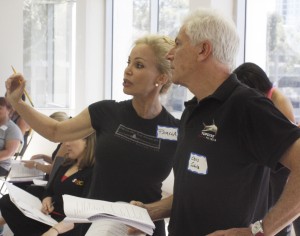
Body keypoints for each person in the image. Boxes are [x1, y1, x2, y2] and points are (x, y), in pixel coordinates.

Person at [127, 8, 300, 236]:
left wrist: (259, 231)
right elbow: (194, 194)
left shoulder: (246, 106)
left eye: (178, 44)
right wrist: (150, 212)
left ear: (203, 50)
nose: (170, 54)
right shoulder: (193, 111)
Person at [5, 34, 179, 236]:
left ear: (162, 78)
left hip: (144, 229)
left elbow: (188, 189)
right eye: (128, 62)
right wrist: (17, 102)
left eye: (138, 65)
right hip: (97, 227)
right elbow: (55, 131)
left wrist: (152, 212)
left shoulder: (177, 130)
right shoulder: (106, 112)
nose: (128, 70)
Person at [234, 62, 298, 236]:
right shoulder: (263, 100)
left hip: (282, 168)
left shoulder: (278, 100)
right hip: (270, 164)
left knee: (279, 207)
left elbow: (287, 141)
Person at [0, 132, 96, 236]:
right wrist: (47, 199)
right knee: (6, 201)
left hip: (64, 225)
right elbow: (49, 190)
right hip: (46, 216)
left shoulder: (93, 174)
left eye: (71, 139)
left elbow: (85, 213)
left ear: (87, 142)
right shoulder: (65, 164)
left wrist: (56, 229)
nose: (66, 144)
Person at [23, 111, 70, 176]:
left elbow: (53, 169)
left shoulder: (66, 144)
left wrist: (35, 165)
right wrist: (43, 157)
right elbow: (58, 162)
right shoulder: (63, 143)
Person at [0, 97, 23, 176]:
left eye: (0, 108)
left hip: (2, 166)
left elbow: (9, 153)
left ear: (9, 110)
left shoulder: (13, 129)